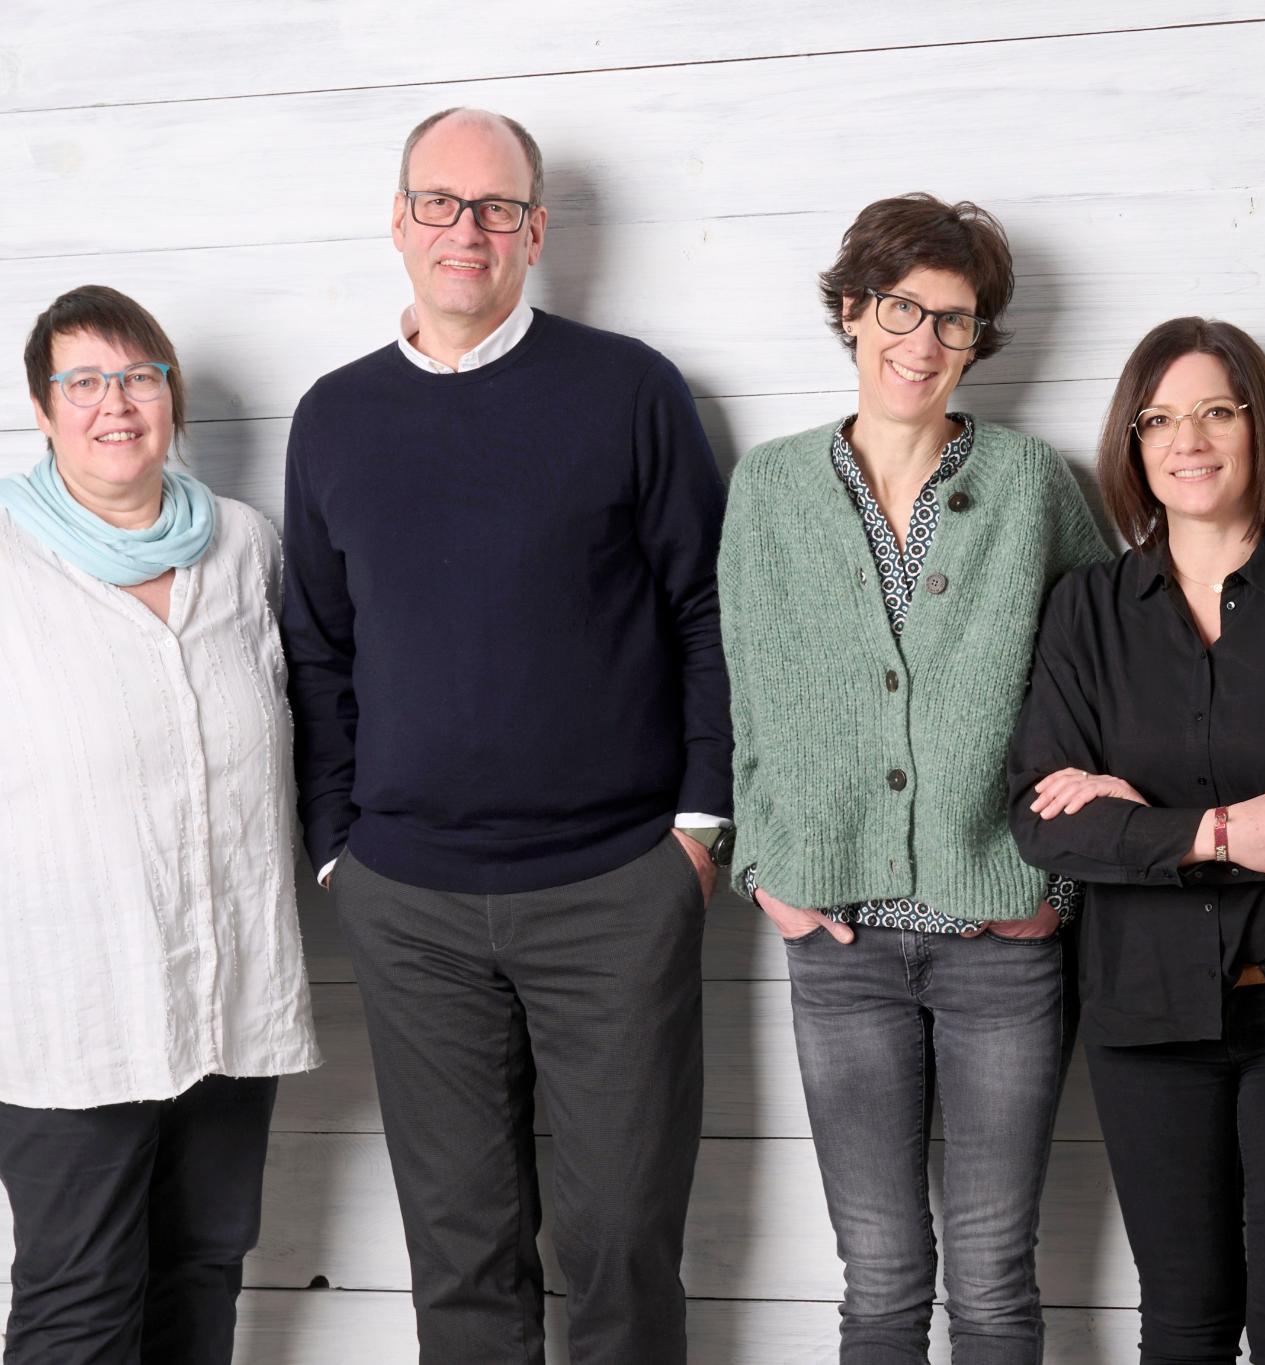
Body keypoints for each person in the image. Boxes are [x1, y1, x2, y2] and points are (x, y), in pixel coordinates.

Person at [280, 108, 730, 1362]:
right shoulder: (334, 417)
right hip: (408, 905)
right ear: (398, 222)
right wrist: (336, 852)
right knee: (459, 1252)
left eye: (492, 207)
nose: (463, 230)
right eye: (438, 202)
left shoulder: (627, 388)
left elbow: (705, 608)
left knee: (619, 1245)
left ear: (534, 230)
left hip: (612, 891)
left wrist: (696, 830)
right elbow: (315, 651)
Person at [718, 192, 1106, 1364]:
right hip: (836, 941)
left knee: (993, 1275)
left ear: (979, 339)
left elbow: (1106, 688)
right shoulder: (770, 487)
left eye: (955, 319)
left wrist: (1064, 888)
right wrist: (760, 870)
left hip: (1001, 938)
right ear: (850, 311)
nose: (923, 342)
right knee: (879, 1278)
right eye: (900, 308)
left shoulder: (1035, 485)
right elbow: (739, 690)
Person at [1007, 316, 1265, 1363]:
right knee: (1179, 1329)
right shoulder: (1084, 610)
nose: (1187, 439)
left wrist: (1138, 819)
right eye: (1158, 419)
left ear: (1258, 427)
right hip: (1145, 1014)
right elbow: (1044, 824)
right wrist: (1230, 828)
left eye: (1215, 411)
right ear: (1133, 447)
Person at [0, 285, 320, 1363]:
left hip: (228, 994)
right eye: (83, 381)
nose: (116, 403)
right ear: (43, 411)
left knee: (202, 1268)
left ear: (170, 396)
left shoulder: (243, 548)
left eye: (140, 376)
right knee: (79, 1294)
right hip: (67, 1010)